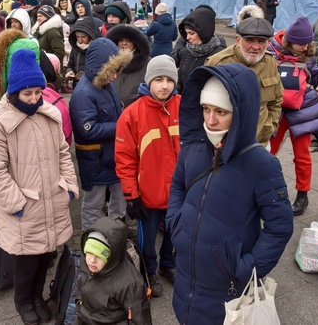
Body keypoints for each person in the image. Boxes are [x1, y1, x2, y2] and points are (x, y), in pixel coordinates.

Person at [165, 64, 293, 324]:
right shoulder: (194, 148)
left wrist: (247, 268)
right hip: (187, 281)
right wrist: (175, 223)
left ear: (241, 113)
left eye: (221, 112)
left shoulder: (261, 164)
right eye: (206, 109)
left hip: (227, 290)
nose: (210, 120)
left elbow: (280, 226)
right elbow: (177, 185)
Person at [0, 49, 78, 325]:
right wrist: (16, 203)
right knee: (26, 260)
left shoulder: (49, 115)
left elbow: (62, 153)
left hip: (52, 200)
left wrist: (69, 186)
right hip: (24, 206)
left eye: (38, 92)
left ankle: (36, 296)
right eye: (28, 94)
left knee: (46, 255)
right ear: (14, 92)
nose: (34, 99)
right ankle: (24, 300)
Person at [115, 55, 180, 298]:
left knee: (175, 233)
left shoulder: (184, 107)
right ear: (148, 81)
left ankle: (168, 265)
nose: (165, 86)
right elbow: (125, 160)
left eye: (169, 80)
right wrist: (131, 196)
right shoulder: (132, 115)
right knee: (147, 238)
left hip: (178, 192)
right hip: (148, 195)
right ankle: (148, 270)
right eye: (159, 80)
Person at [267, 17, 318, 215]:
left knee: (302, 156)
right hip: (277, 109)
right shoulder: (271, 51)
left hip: (301, 109)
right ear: (289, 40)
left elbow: (316, 74)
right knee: (266, 153)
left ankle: (303, 194)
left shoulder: (308, 55)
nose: (304, 47)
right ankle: (259, 188)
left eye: (307, 43)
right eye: (300, 43)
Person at [70, 38, 132, 231]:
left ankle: (115, 233)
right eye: (111, 71)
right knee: (93, 204)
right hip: (95, 160)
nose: (115, 76)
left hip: (112, 156)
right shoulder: (83, 93)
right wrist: (121, 126)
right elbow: (88, 129)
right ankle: (90, 238)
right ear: (99, 68)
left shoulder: (105, 84)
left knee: (119, 198)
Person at [206, 17, 283, 147]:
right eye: (249, 40)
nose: (256, 46)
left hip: (259, 142)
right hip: (225, 144)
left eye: (261, 41)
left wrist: (269, 126)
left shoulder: (270, 62)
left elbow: (276, 100)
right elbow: (205, 105)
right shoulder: (218, 63)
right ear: (238, 40)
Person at [76, 217, 152, 324]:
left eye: (99, 255)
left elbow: (140, 319)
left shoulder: (131, 283)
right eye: (89, 252)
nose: (92, 260)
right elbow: (80, 286)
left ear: (112, 255)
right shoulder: (85, 262)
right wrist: (78, 302)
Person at [171, 7, 226, 92]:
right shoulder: (185, 51)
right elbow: (180, 81)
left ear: (203, 32)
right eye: (186, 33)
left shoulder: (219, 55)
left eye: (191, 33)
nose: (187, 37)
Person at [106, 24, 151, 108]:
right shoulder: (108, 61)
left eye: (128, 41)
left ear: (135, 43)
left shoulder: (147, 63)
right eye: (121, 40)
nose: (124, 44)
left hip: (136, 112)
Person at [65, 16, 101, 90]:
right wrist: (70, 71)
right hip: (77, 86)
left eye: (83, 37)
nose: (80, 40)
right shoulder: (75, 48)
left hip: (92, 87)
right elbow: (70, 65)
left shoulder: (97, 49)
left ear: (90, 35)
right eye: (78, 37)